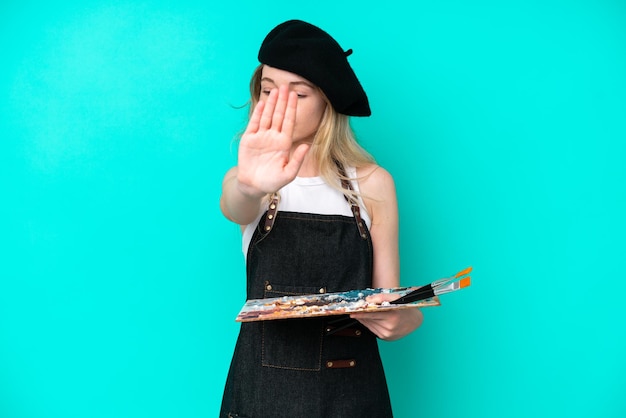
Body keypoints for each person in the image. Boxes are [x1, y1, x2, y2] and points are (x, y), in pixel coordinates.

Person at [219, 19, 423, 418]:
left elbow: (388, 297)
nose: (277, 105)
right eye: (267, 91)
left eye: (298, 94)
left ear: (327, 103)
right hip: (262, 397)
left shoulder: (374, 184)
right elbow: (234, 206)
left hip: (351, 396)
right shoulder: (249, 181)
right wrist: (249, 185)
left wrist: (405, 317)